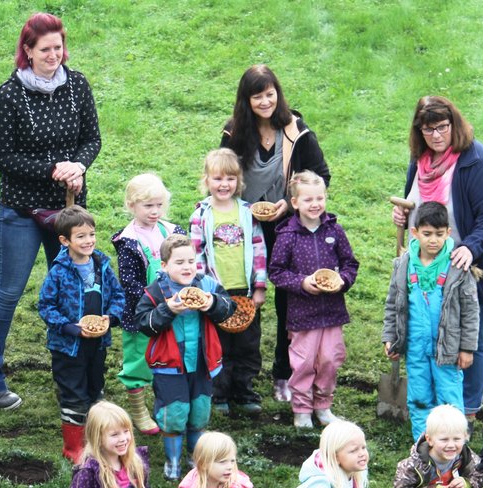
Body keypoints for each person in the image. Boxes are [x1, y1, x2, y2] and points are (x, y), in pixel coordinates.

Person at [0, 12, 102, 411]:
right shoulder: (9, 95)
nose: (54, 55)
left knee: (74, 291)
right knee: (9, 292)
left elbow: (92, 138)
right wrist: (52, 168)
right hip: (21, 209)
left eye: (58, 47)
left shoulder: (77, 84)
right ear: (27, 51)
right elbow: (0, 156)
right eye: (45, 49)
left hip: (68, 210)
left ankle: (76, 377)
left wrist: (78, 165)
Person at [392, 96, 483, 426]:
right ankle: (437, 405)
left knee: (473, 337)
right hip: (432, 267)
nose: (435, 136)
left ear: (454, 125)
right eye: (427, 129)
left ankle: (467, 410)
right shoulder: (420, 159)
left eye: (442, 127)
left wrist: (471, 248)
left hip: (475, 266)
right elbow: (418, 206)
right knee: (436, 331)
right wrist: (404, 214)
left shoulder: (476, 163)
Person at [221, 65, 331, 404]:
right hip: (244, 226)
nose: (266, 101)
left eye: (270, 94)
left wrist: (289, 203)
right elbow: (223, 174)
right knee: (242, 296)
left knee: (288, 301)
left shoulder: (297, 130)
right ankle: (237, 378)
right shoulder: (234, 132)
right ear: (247, 100)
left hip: (286, 226)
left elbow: (321, 174)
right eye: (258, 96)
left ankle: (284, 373)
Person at [134, 235, 235, 480]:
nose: (188, 267)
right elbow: (144, 324)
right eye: (180, 262)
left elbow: (228, 308)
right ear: (165, 265)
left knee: (200, 411)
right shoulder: (156, 292)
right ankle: (172, 462)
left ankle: (195, 458)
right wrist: (168, 310)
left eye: (191, 261)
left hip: (202, 363)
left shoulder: (207, 285)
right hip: (169, 366)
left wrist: (211, 303)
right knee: (174, 413)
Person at [268, 171, 359, 430]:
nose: (315, 204)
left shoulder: (335, 231)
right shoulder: (287, 235)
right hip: (302, 315)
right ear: (295, 203)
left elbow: (350, 264)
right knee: (304, 362)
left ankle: (323, 406)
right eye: (308, 200)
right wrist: (302, 283)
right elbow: (277, 272)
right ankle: (301, 408)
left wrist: (343, 280)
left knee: (330, 359)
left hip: (332, 312)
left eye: (320, 198)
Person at [382, 201, 479, 442]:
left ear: (448, 233)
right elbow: (393, 304)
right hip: (415, 348)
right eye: (427, 234)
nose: (433, 240)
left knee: (449, 400)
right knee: (419, 399)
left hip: (447, 350)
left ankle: (455, 450)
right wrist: (390, 337)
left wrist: (467, 348)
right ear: (414, 233)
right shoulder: (403, 264)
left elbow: (470, 311)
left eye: (439, 234)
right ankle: (423, 450)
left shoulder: (458, 267)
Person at [37, 206, 125, 464]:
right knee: (73, 394)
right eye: (81, 236)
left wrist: (111, 317)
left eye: (91, 234)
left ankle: (95, 440)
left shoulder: (102, 266)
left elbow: (118, 296)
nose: (88, 241)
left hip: (97, 345)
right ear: (65, 241)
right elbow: (46, 306)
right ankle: (73, 447)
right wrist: (71, 327)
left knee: (95, 390)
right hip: (68, 347)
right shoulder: (59, 271)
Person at [188, 148, 268, 416]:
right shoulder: (201, 214)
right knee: (218, 343)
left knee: (247, 343)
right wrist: (204, 290)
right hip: (217, 293)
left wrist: (259, 286)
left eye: (230, 179)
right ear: (207, 180)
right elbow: (196, 253)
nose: (224, 185)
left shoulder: (247, 213)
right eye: (218, 179)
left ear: (239, 181)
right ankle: (219, 392)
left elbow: (259, 249)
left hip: (244, 290)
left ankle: (244, 391)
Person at [111, 173, 186, 436]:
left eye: (159, 205)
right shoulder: (128, 241)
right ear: (131, 205)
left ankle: (163, 402)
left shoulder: (172, 231)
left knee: (167, 354)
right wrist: (157, 301)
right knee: (139, 360)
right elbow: (130, 284)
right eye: (148, 206)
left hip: (173, 308)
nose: (155, 212)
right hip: (141, 312)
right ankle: (138, 408)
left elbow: (186, 262)